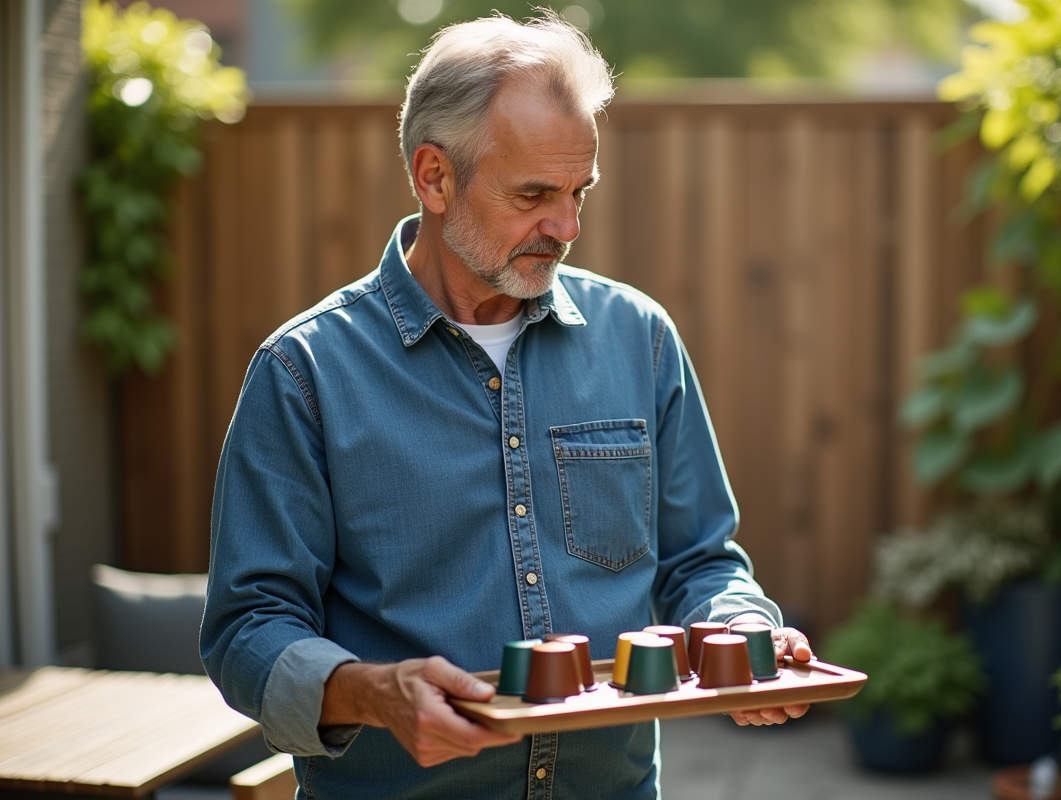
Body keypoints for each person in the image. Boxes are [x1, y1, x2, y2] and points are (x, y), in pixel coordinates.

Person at [200, 12, 811, 799]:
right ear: (434, 176)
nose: (567, 226)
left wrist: (742, 629)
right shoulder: (305, 372)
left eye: (578, 191)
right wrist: (369, 692)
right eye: (533, 195)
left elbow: (701, 560)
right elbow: (247, 630)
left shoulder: (640, 339)